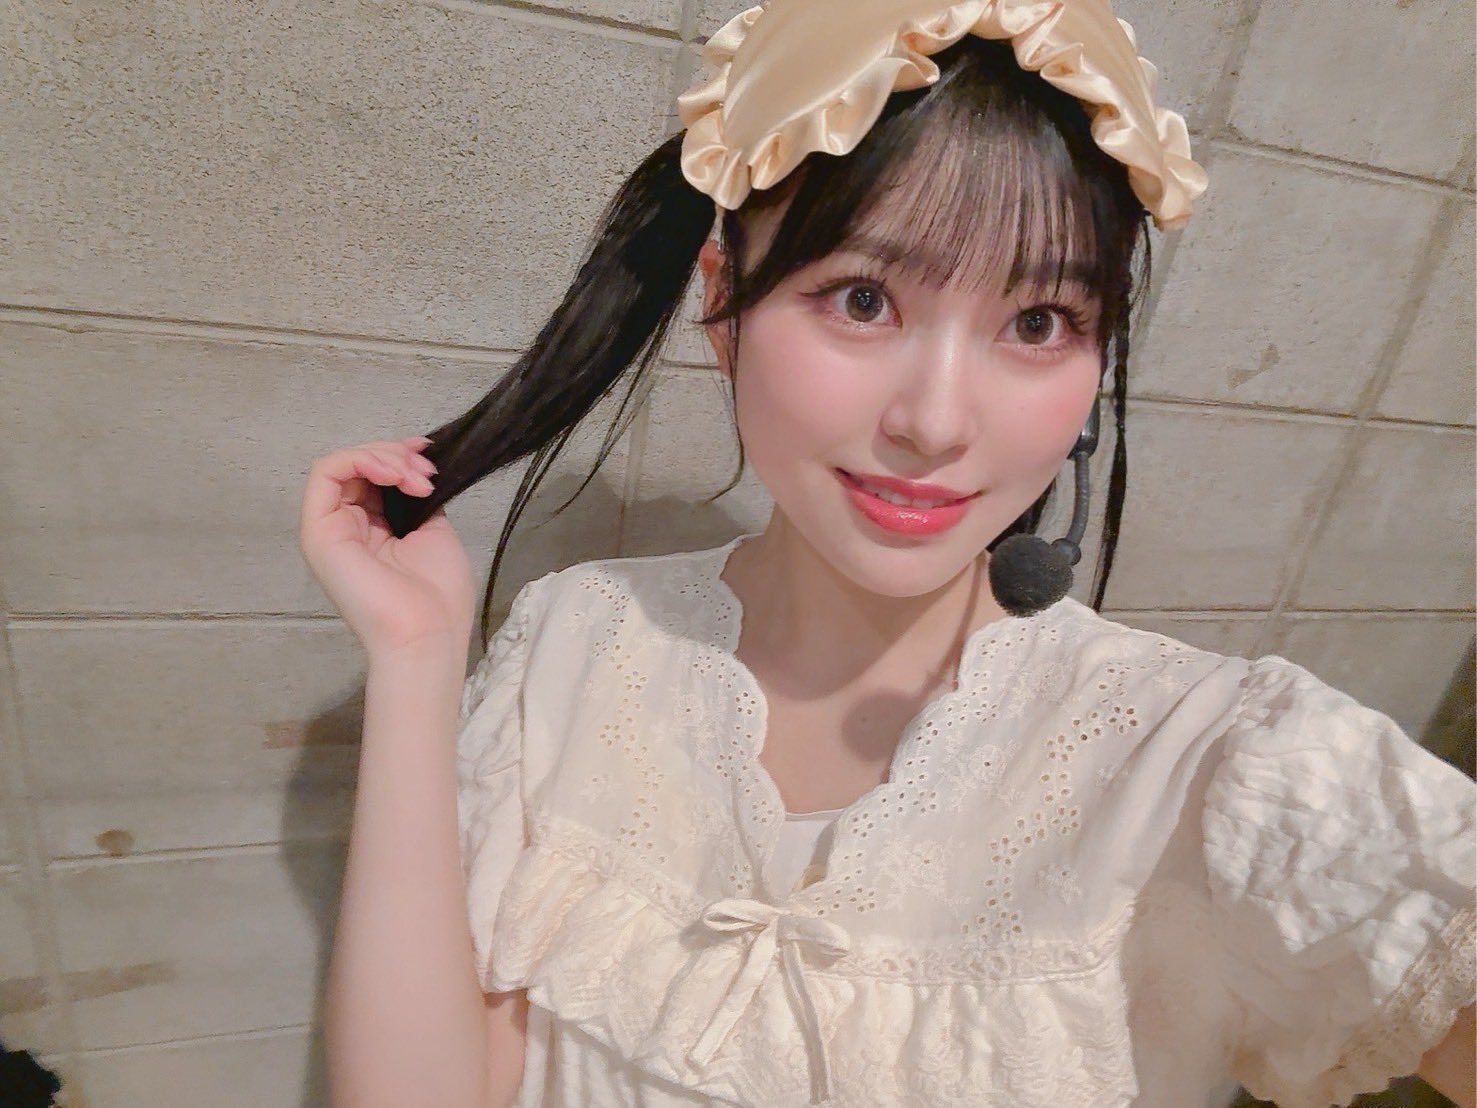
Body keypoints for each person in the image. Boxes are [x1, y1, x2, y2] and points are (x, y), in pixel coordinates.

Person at [298, 1, 1477, 1105]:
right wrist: (416, 655)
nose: (937, 421)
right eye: (863, 299)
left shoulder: (1209, 763)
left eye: (1038, 322)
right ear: (722, 302)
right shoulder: (578, 638)